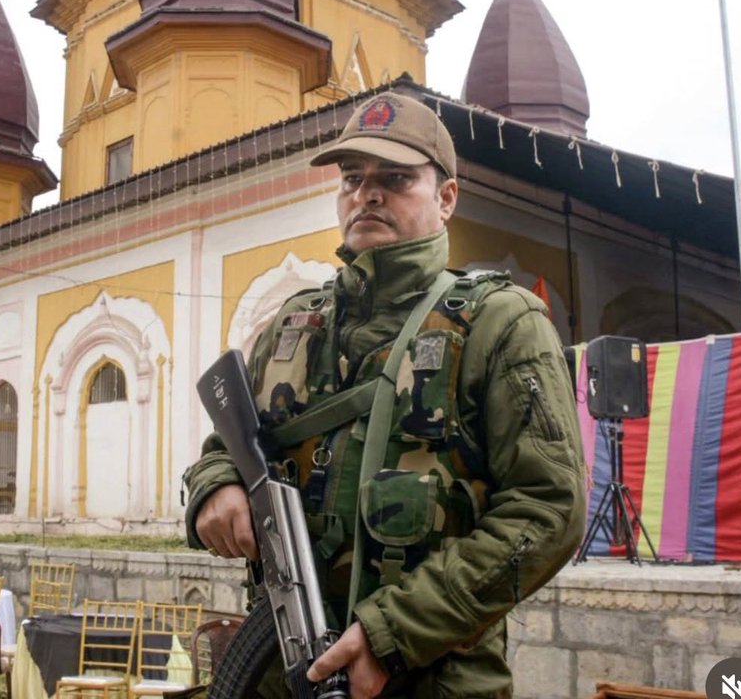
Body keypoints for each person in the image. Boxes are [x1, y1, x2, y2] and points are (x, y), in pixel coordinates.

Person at [184, 91, 586, 698]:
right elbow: (225, 447)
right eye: (352, 178)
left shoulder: (500, 324)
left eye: (395, 178)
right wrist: (215, 484)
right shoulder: (295, 323)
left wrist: (391, 633)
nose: (366, 194)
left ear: (446, 197)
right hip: (281, 672)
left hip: (432, 679)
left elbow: (550, 510)